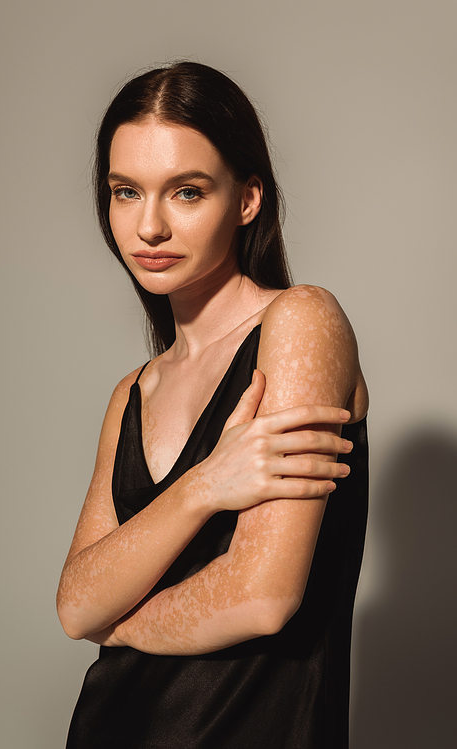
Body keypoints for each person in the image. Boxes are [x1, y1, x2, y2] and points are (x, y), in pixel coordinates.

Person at [57, 61, 369, 748]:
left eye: (187, 191)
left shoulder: (300, 320)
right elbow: (76, 598)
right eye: (125, 192)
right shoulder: (133, 393)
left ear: (248, 198)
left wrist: (121, 623)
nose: (150, 225)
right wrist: (207, 483)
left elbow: (262, 595)